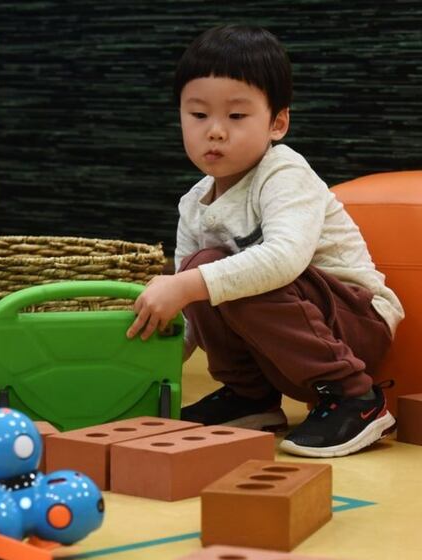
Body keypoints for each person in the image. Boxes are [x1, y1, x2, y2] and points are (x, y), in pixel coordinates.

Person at [126, 24, 404, 458]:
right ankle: (249, 397)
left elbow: (283, 260)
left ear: (277, 123)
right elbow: (191, 315)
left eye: (236, 117)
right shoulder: (193, 203)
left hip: (354, 325)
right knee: (201, 267)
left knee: (213, 272)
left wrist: (186, 285)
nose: (215, 131)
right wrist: (138, 369)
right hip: (283, 342)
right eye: (198, 115)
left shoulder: (284, 173)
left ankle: (358, 398)